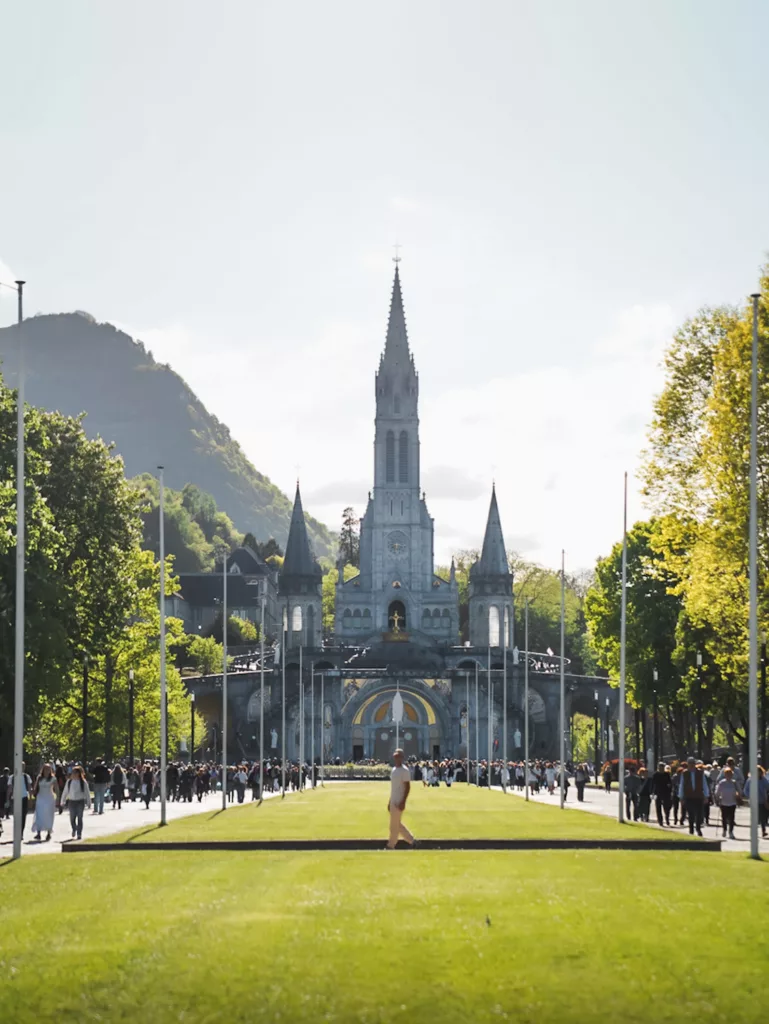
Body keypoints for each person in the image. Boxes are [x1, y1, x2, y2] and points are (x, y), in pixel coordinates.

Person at [386, 748, 416, 850]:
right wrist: (390, 801)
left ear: (402, 758)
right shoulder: (394, 770)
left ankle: (391, 845)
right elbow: (393, 787)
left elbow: (407, 787)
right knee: (397, 824)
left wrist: (403, 801)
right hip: (393, 799)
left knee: (393, 826)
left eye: (398, 756)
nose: (396, 758)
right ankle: (412, 840)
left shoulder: (405, 771)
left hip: (399, 800)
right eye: (395, 756)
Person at [678, 756, 709, 836]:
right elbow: (682, 785)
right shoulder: (684, 773)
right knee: (691, 814)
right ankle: (691, 829)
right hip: (689, 796)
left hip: (698, 796)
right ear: (687, 764)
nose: (691, 765)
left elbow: (704, 784)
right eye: (690, 763)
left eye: (693, 763)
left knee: (699, 814)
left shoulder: (700, 773)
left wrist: (706, 795)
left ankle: (698, 828)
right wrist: (681, 797)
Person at [61, 765, 91, 840]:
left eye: (75, 773)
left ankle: (79, 833)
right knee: (72, 818)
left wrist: (88, 802)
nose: (73, 774)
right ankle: (74, 828)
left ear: (79, 774)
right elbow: (65, 791)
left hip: (80, 801)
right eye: (73, 773)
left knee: (80, 818)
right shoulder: (69, 782)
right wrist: (63, 800)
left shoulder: (83, 782)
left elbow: (87, 792)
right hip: (72, 801)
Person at [32, 763, 58, 841]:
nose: (47, 770)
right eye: (45, 769)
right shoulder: (39, 778)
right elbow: (35, 787)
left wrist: (58, 799)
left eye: (48, 769)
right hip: (40, 798)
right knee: (39, 814)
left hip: (49, 798)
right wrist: (33, 794)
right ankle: (38, 832)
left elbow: (56, 789)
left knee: (49, 815)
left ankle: (49, 832)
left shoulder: (53, 778)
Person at [743, 766, 769, 839]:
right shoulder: (750, 780)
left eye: (759, 771)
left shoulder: (764, 780)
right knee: (755, 817)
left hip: (762, 801)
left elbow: (767, 788)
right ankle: (754, 831)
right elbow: (745, 790)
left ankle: (763, 831)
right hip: (753, 801)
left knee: (763, 817)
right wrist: (750, 796)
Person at [714, 766, 739, 839]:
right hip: (724, 803)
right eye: (727, 774)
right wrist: (718, 798)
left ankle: (731, 832)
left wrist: (738, 795)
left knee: (731, 818)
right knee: (724, 817)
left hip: (732, 803)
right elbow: (717, 792)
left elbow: (739, 791)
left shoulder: (734, 783)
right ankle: (724, 829)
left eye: (730, 774)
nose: (729, 775)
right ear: (725, 775)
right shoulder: (722, 783)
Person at [652, 762, 672, 827]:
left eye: (662, 767)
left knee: (666, 807)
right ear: (658, 767)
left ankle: (667, 818)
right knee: (658, 807)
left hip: (666, 793)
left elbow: (670, 783)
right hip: (657, 793)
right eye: (660, 767)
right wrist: (653, 792)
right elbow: (653, 784)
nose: (661, 769)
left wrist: (670, 789)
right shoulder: (655, 775)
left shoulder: (667, 774)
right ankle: (660, 821)